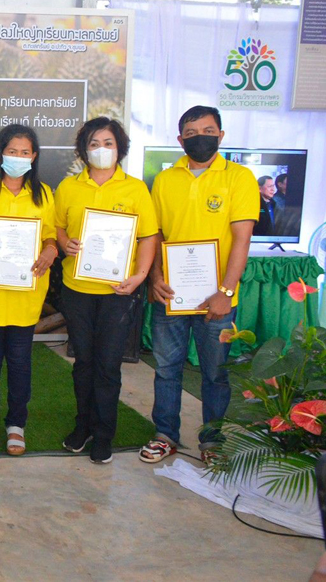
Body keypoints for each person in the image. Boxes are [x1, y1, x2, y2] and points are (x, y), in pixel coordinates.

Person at [142, 105, 259, 465]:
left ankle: (212, 442)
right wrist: (155, 278)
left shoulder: (239, 178)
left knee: (215, 374)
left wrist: (225, 292)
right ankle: (165, 435)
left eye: (208, 131)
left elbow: (242, 239)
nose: (199, 138)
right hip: (171, 298)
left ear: (221, 135)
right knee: (166, 369)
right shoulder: (165, 179)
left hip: (217, 300)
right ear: (180, 140)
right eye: (191, 134)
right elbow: (156, 234)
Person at [55, 117, 158, 465]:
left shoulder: (135, 189)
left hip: (118, 290)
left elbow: (148, 237)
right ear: (84, 149)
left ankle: (103, 434)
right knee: (83, 361)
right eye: (94, 143)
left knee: (108, 365)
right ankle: (81, 426)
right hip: (77, 288)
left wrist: (140, 275)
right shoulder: (69, 187)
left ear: (120, 148)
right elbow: (57, 228)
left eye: (108, 143)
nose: (101, 150)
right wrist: (65, 242)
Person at [0, 124, 57, 457]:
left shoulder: (45, 194)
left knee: (20, 363)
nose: (18, 157)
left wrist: (51, 249)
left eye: (25, 152)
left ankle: (16, 424)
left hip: (26, 295)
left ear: (34, 157)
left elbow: (51, 235)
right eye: (12, 151)